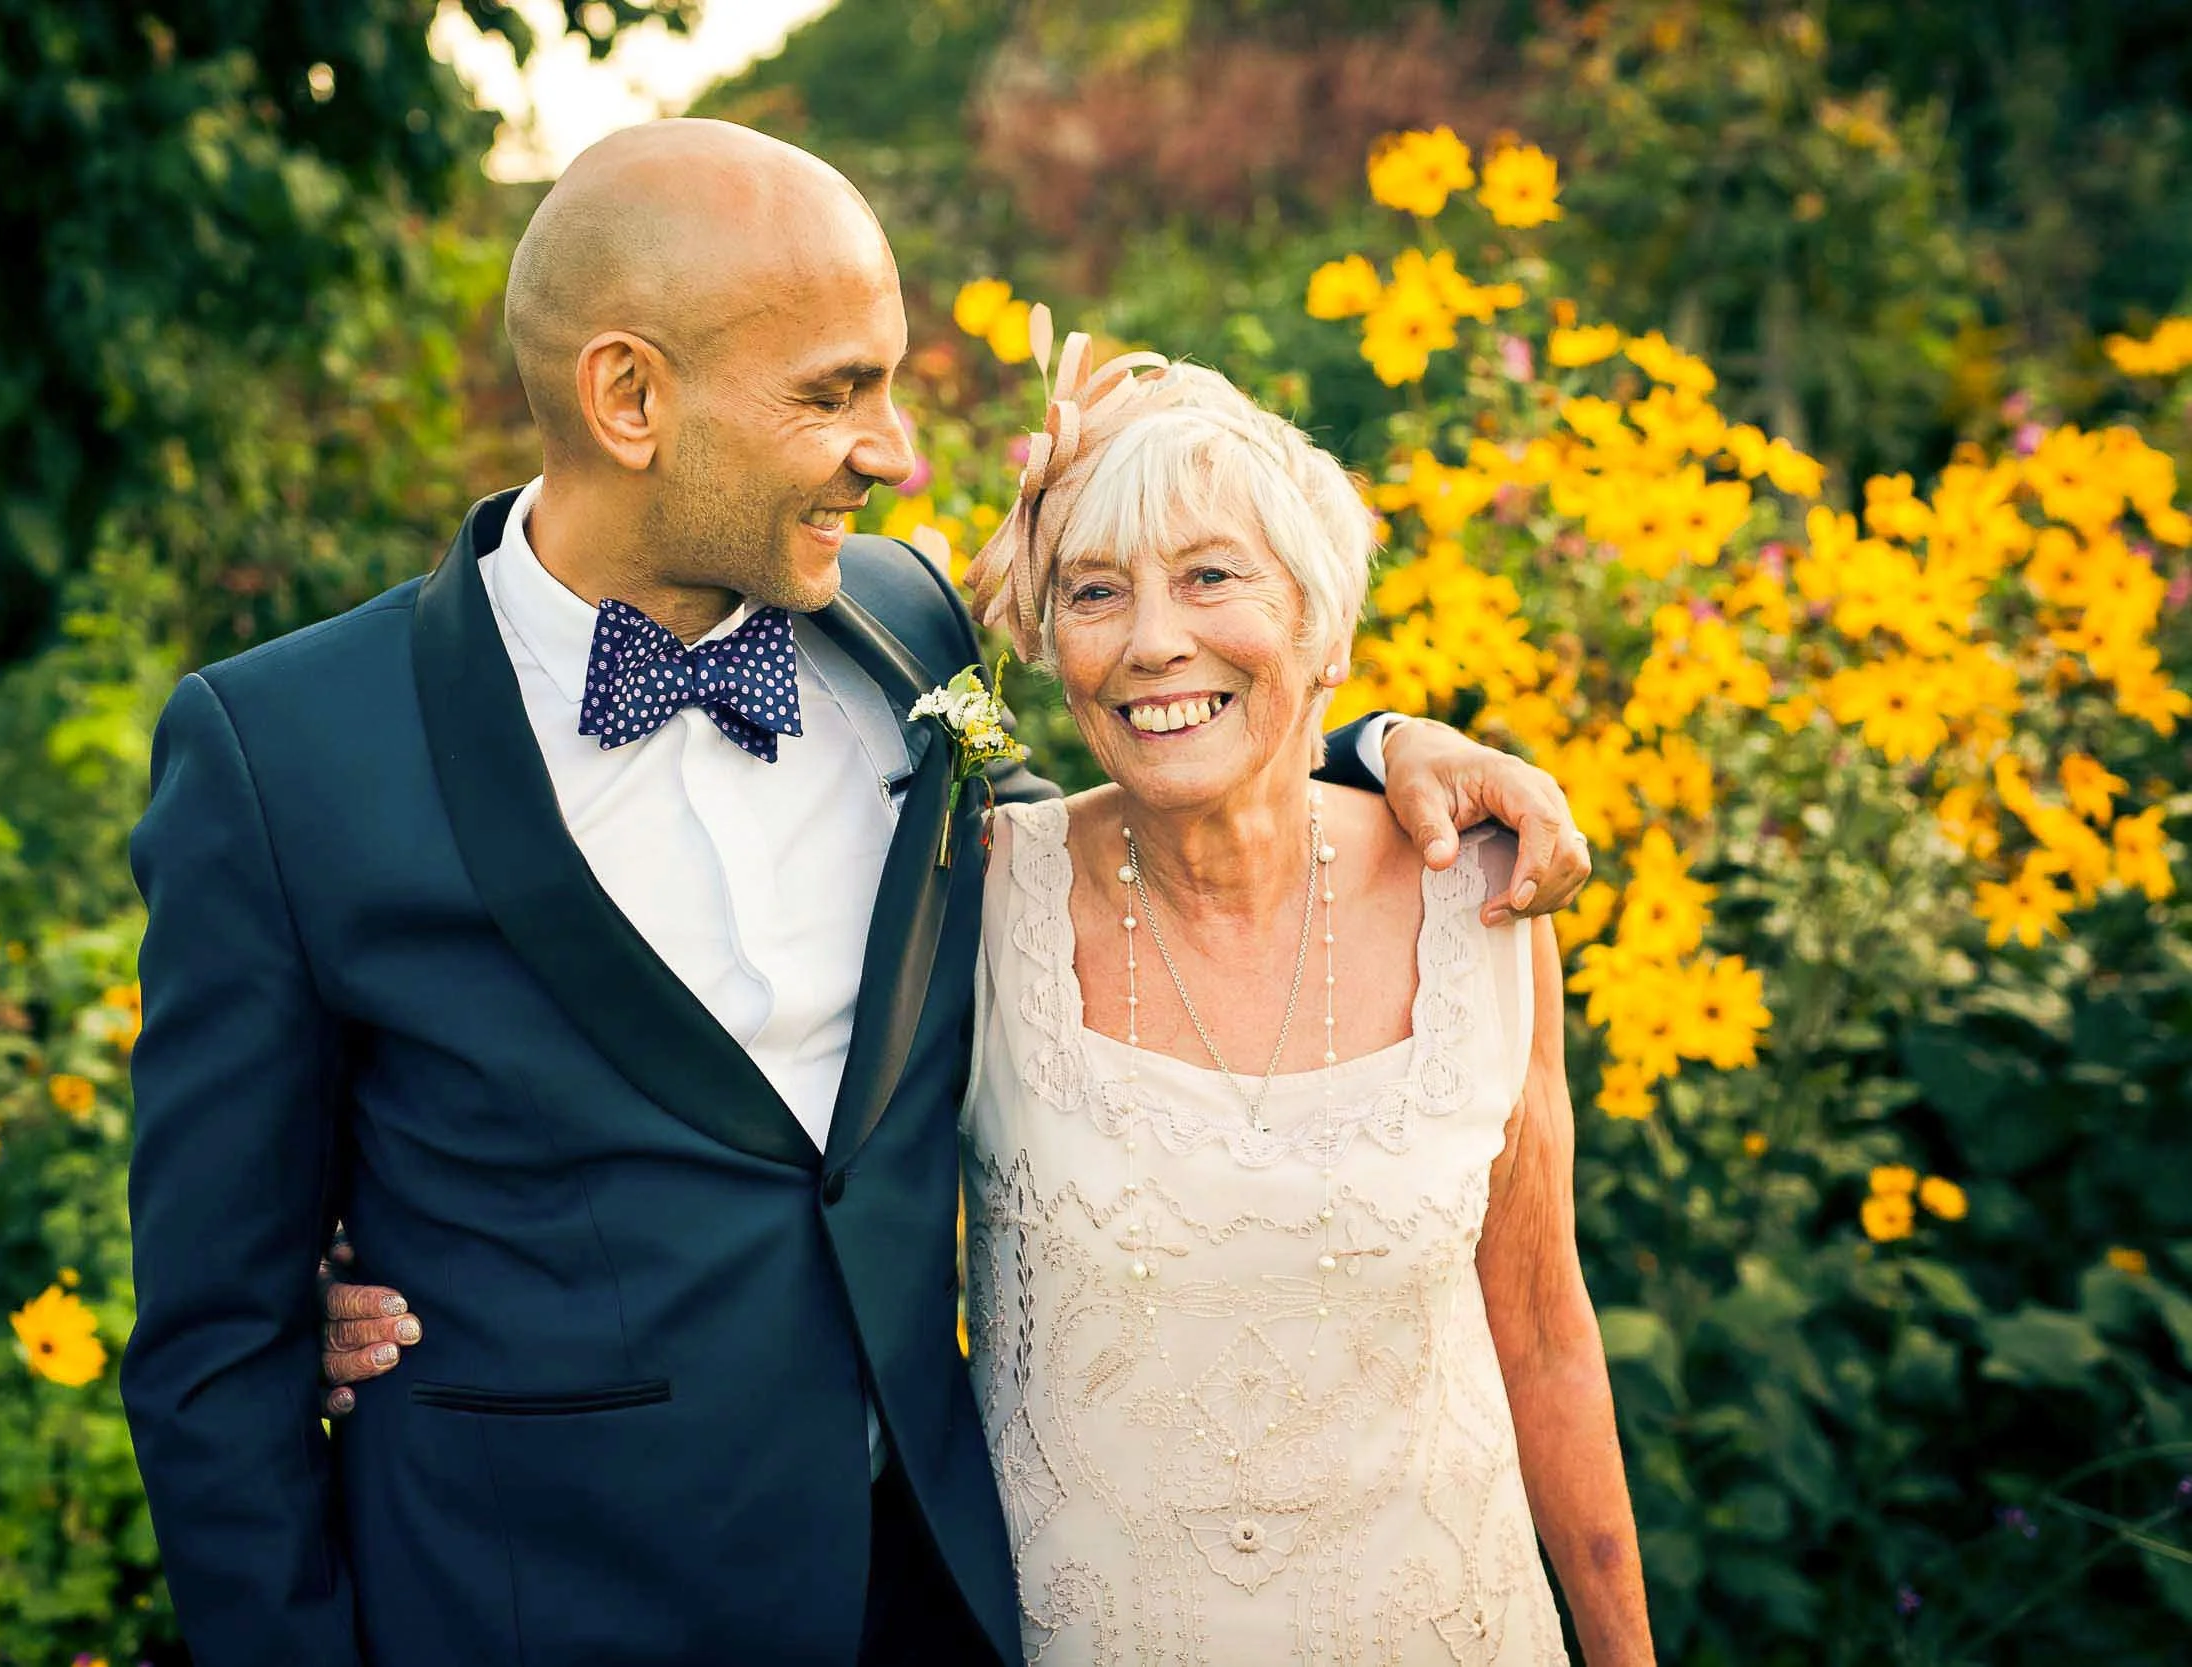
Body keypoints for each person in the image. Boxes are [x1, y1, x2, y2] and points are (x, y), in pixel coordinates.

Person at [128, 118, 1592, 1667]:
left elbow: (1085, 838)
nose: (895, 452)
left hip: (931, 1602)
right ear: (630, 397)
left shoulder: (893, 624)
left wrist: (1369, 747)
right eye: (835, 394)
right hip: (530, 1610)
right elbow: (218, 1348)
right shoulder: (283, 754)